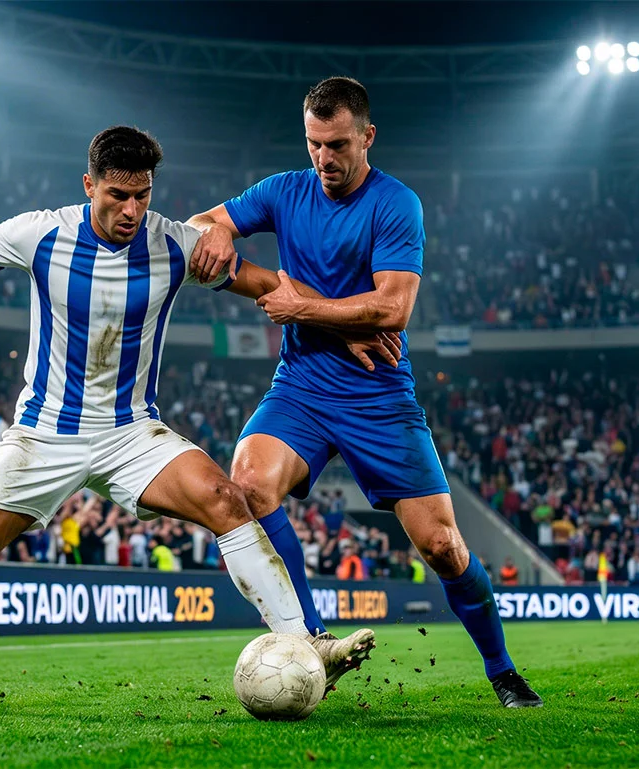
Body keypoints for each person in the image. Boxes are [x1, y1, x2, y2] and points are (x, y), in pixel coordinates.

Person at [0, 126, 379, 714]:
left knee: (227, 501)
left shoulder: (176, 244)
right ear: (90, 186)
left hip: (131, 432)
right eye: (117, 196)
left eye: (143, 196)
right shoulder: (41, 233)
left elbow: (267, 285)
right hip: (45, 431)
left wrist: (340, 324)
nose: (132, 210)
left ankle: (309, 646)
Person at [187, 77, 542, 708]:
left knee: (442, 545)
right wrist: (209, 227)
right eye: (313, 144)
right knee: (248, 480)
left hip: (378, 396)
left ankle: (502, 669)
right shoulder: (282, 191)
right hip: (300, 386)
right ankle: (313, 638)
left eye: (337, 144)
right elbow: (205, 227)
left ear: (367, 137)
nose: (324, 158)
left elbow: (394, 308)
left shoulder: (396, 204)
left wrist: (305, 307)